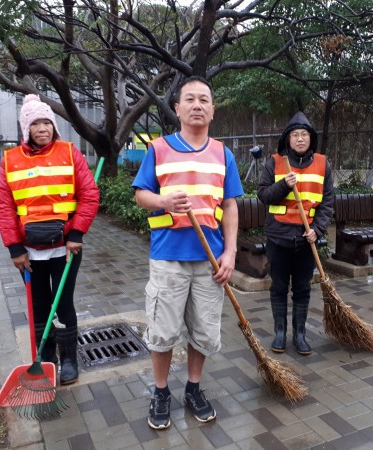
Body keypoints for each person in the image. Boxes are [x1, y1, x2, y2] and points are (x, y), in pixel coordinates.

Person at [132, 76, 244, 430]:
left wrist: (231, 253)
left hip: (210, 262)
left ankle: (193, 388)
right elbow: (140, 195)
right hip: (168, 258)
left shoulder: (223, 153)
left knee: (204, 331)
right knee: (162, 331)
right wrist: (163, 200)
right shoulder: (159, 149)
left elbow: (230, 204)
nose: (198, 105)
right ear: (177, 108)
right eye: (190, 99)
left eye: (204, 100)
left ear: (213, 110)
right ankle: (161, 391)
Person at [0, 94, 99, 385]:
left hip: (66, 246)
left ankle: (68, 358)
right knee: (39, 304)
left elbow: (89, 194)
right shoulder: (10, 160)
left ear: (54, 126)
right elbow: (3, 205)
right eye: (35, 124)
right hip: (28, 250)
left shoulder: (69, 153)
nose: (42, 128)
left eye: (47, 122)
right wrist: (15, 248)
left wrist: (77, 233)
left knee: (63, 301)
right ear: (25, 129)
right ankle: (47, 357)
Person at [257, 111, 334, 356]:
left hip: (306, 240)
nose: (300, 139)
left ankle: (299, 335)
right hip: (278, 238)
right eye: (295, 135)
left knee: (302, 288)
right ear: (287, 139)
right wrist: (283, 185)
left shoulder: (323, 164)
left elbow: (327, 203)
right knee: (278, 287)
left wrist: (318, 230)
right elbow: (263, 195)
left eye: (304, 135)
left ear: (311, 138)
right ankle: (280, 334)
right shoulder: (275, 162)